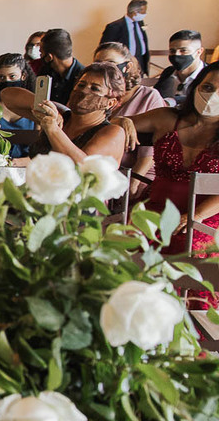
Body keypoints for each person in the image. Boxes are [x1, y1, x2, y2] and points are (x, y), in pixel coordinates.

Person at [111, 63, 219, 268]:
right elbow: (110, 124)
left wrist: (196, 216)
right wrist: (122, 120)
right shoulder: (166, 118)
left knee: (188, 247)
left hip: (207, 216)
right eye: (208, 87)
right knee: (131, 241)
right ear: (196, 86)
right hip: (157, 207)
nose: (213, 95)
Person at [1, 62, 126, 165]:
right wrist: (43, 105)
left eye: (94, 88)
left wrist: (53, 129)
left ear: (111, 102)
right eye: (81, 85)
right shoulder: (60, 118)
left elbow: (83, 167)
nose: (84, 91)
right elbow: (7, 95)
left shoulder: (113, 132)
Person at [94, 41, 166, 183]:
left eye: (111, 63)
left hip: (137, 173)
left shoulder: (148, 97)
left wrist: (133, 181)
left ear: (127, 67)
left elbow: (150, 153)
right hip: (101, 170)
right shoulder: (96, 94)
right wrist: (118, 121)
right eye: (98, 64)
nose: (104, 69)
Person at [0, 54, 36, 159]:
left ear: (23, 76)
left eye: (12, 77)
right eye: (1, 77)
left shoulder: (35, 105)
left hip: (28, 166)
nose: (7, 81)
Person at [154, 30, 206, 105]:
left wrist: (172, 101)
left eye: (183, 50)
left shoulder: (210, 75)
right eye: (172, 51)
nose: (177, 54)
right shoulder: (168, 73)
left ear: (199, 52)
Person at [100, 0, 150, 74]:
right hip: (122, 64)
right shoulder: (114, 27)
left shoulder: (140, 23)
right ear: (135, 12)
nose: (145, 14)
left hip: (139, 62)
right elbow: (105, 49)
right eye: (143, 12)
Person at [40, 28, 83, 105]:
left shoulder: (83, 78)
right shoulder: (45, 72)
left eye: (41, 53)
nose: (40, 56)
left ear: (49, 57)